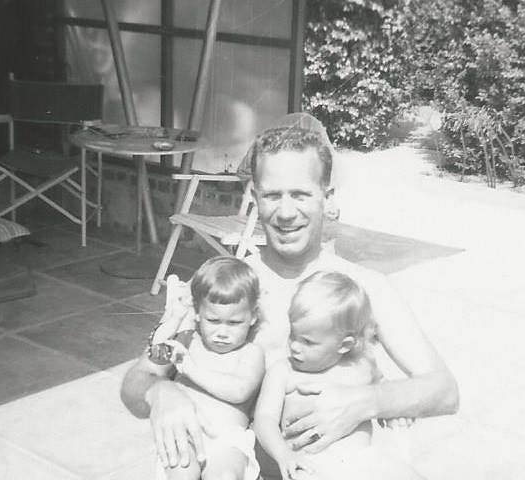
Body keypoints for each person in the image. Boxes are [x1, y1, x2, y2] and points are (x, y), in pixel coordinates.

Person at [121, 115, 459, 479]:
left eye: (300, 194)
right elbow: (136, 383)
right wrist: (159, 394)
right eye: (272, 195)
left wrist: (368, 401)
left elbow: (444, 390)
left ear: (326, 198)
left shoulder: (363, 288)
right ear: (254, 198)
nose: (285, 212)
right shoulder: (226, 288)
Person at [254, 270, 422, 480]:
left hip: (362, 462)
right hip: (309, 465)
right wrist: (284, 455)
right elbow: (264, 418)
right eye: (293, 335)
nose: (295, 346)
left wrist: (393, 414)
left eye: (308, 342)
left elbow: (382, 392)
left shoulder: (362, 366)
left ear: (345, 345)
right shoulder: (283, 372)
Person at [147, 256, 265, 480]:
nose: (222, 332)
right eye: (213, 320)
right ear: (199, 313)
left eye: (234, 323)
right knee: (181, 474)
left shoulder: (251, 353)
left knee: (226, 476)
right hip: (184, 435)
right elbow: (156, 347)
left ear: (252, 317)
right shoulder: (190, 340)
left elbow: (240, 391)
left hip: (228, 441)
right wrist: (178, 315)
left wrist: (190, 369)